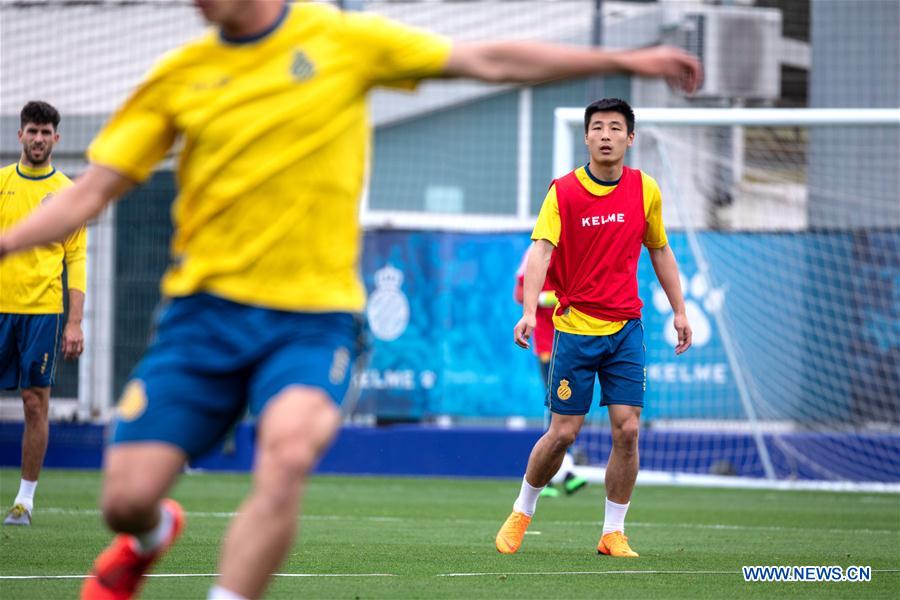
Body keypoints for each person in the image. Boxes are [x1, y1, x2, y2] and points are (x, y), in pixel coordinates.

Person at [0, 0, 700, 597]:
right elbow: (89, 193)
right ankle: (152, 531)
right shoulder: (179, 77)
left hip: (313, 318)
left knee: (286, 457)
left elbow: (488, 61)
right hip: (202, 316)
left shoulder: (339, 39)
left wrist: (627, 60)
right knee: (124, 499)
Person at [496, 98, 693, 557]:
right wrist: (529, 312)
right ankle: (522, 510)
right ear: (586, 137)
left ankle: (612, 532)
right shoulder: (563, 191)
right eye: (598, 127)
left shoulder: (646, 190)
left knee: (627, 430)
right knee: (564, 433)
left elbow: (660, 250)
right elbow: (540, 252)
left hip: (627, 328)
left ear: (630, 138)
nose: (606, 134)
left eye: (615, 127)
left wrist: (680, 310)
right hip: (576, 328)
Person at [1, 101, 86, 527]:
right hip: (0, 310)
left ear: (57, 138)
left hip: (43, 314)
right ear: (19, 136)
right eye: (31, 131)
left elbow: (78, 258)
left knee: (35, 404)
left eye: (45, 132)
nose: (37, 139)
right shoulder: (1, 184)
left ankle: (24, 501)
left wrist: (74, 320)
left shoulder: (70, 194)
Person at [514, 244, 587, 498]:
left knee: (568, 410)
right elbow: (520, 293)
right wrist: (554, 299)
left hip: (579, 341)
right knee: (557, 409)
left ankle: (561, 473)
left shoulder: (579, 249)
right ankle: (557, 474)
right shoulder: (536, 251)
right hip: (549, 344)